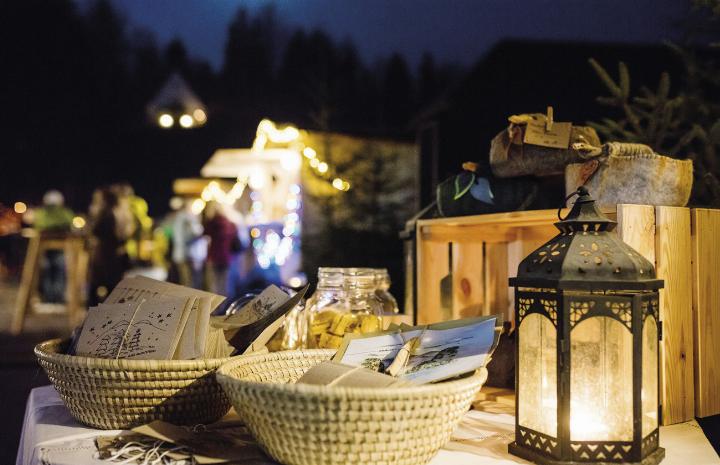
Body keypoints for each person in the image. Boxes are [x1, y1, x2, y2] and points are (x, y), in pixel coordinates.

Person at [88, 187, 133, 305]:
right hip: (117, 253)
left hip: (106, 253)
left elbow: (96, 231)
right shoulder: (122, 212)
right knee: (114, 286)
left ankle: (96, 313)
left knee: (98, 285)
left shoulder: (106, 213)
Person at [35, 190, 74, 303]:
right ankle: (55, 297)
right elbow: (68, 222)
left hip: (49, 248)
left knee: (49, 272)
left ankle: (51, 297)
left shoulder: (41, 213)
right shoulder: (65, 213)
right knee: (56, 272)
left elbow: (39, 224)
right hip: (55, 248)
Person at [203, 201, 239, 295]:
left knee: (213, 284)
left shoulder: (211, 223)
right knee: (225, 283)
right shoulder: (230, 224)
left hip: (213, 256)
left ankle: (215, 307)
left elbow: (204, 233)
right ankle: (225, 306)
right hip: (226, 257)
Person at [171, 199, 203, 288]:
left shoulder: (178, 217)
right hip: (188, 253)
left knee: (185, 279)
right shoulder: (186, 218)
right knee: (189, 280)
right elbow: (193, 233)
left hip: (182, 253)